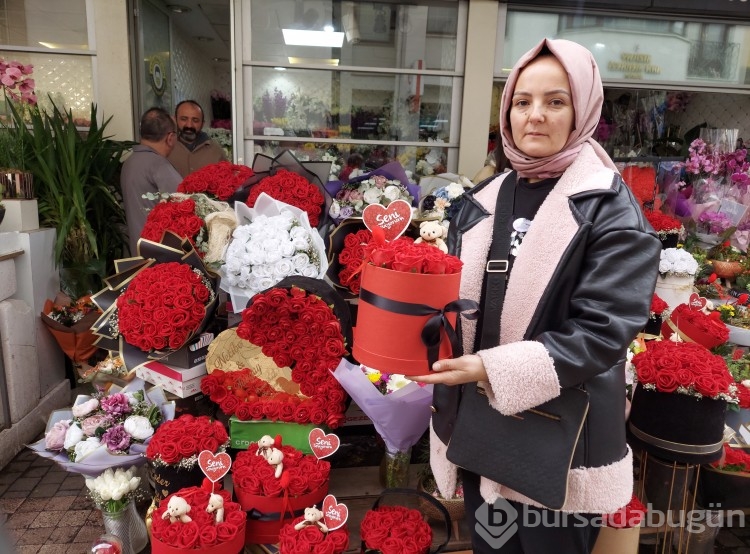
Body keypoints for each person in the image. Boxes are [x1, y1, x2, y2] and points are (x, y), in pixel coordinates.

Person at [411, 38, 661, 553]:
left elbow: (603, 331)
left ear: (583, 110)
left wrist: (494, 369)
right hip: (485, 428)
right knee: (491, 545)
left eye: (555, 101)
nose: (535, 116)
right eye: (522, 102)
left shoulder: (609, 208)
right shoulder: (483, 200)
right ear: (506, 112)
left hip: (561, 441)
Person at [121, 107, 182, 254]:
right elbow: (185, 201)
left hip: (137, 249)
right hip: (158, 251)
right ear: (170, 138)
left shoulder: (129, 162)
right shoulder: (158, 165)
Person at [167, 100, 227, 177]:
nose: (189, 125)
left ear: (202, 124)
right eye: (184, 119)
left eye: (195, 120)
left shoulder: (215, 150)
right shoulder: (165, 147)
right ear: (175, 120)